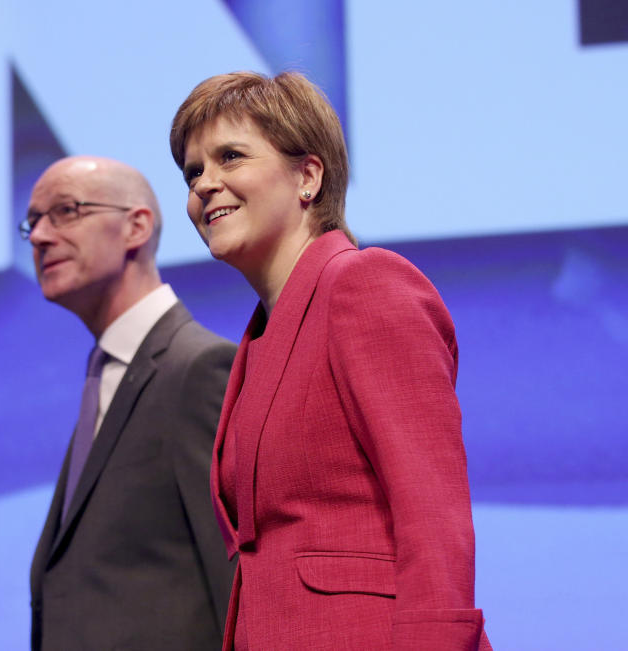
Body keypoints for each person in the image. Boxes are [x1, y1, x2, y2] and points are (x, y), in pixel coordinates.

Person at [170, 72, 492, 650]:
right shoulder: (260, 337)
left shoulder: (365, 284)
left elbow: (432, 512)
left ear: (307, 177)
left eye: (230, 157)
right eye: (193, 171)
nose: (204, 185)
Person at [22, 156, 237, 650]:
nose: (39, 237)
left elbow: (236, 585)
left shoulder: (197, 369)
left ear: (136, 226)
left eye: (65, 212)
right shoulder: (108, 371)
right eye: (32, 223)